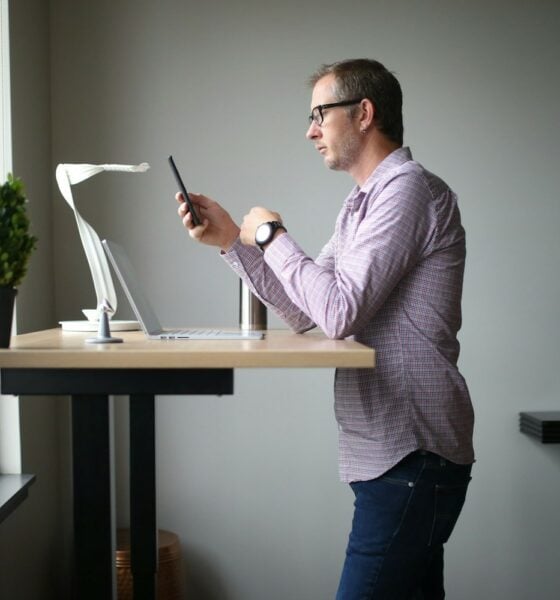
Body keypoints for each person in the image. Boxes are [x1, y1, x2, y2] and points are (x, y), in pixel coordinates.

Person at [176, 58, 474, 600]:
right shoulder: (360, 206)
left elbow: (339, 312)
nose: (310, 130)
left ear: (364, 113)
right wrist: (232, 241)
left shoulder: (407, 192)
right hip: (394, 454)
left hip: (412, 451)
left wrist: (270, 233)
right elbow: (308, 310)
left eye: (320, 114)